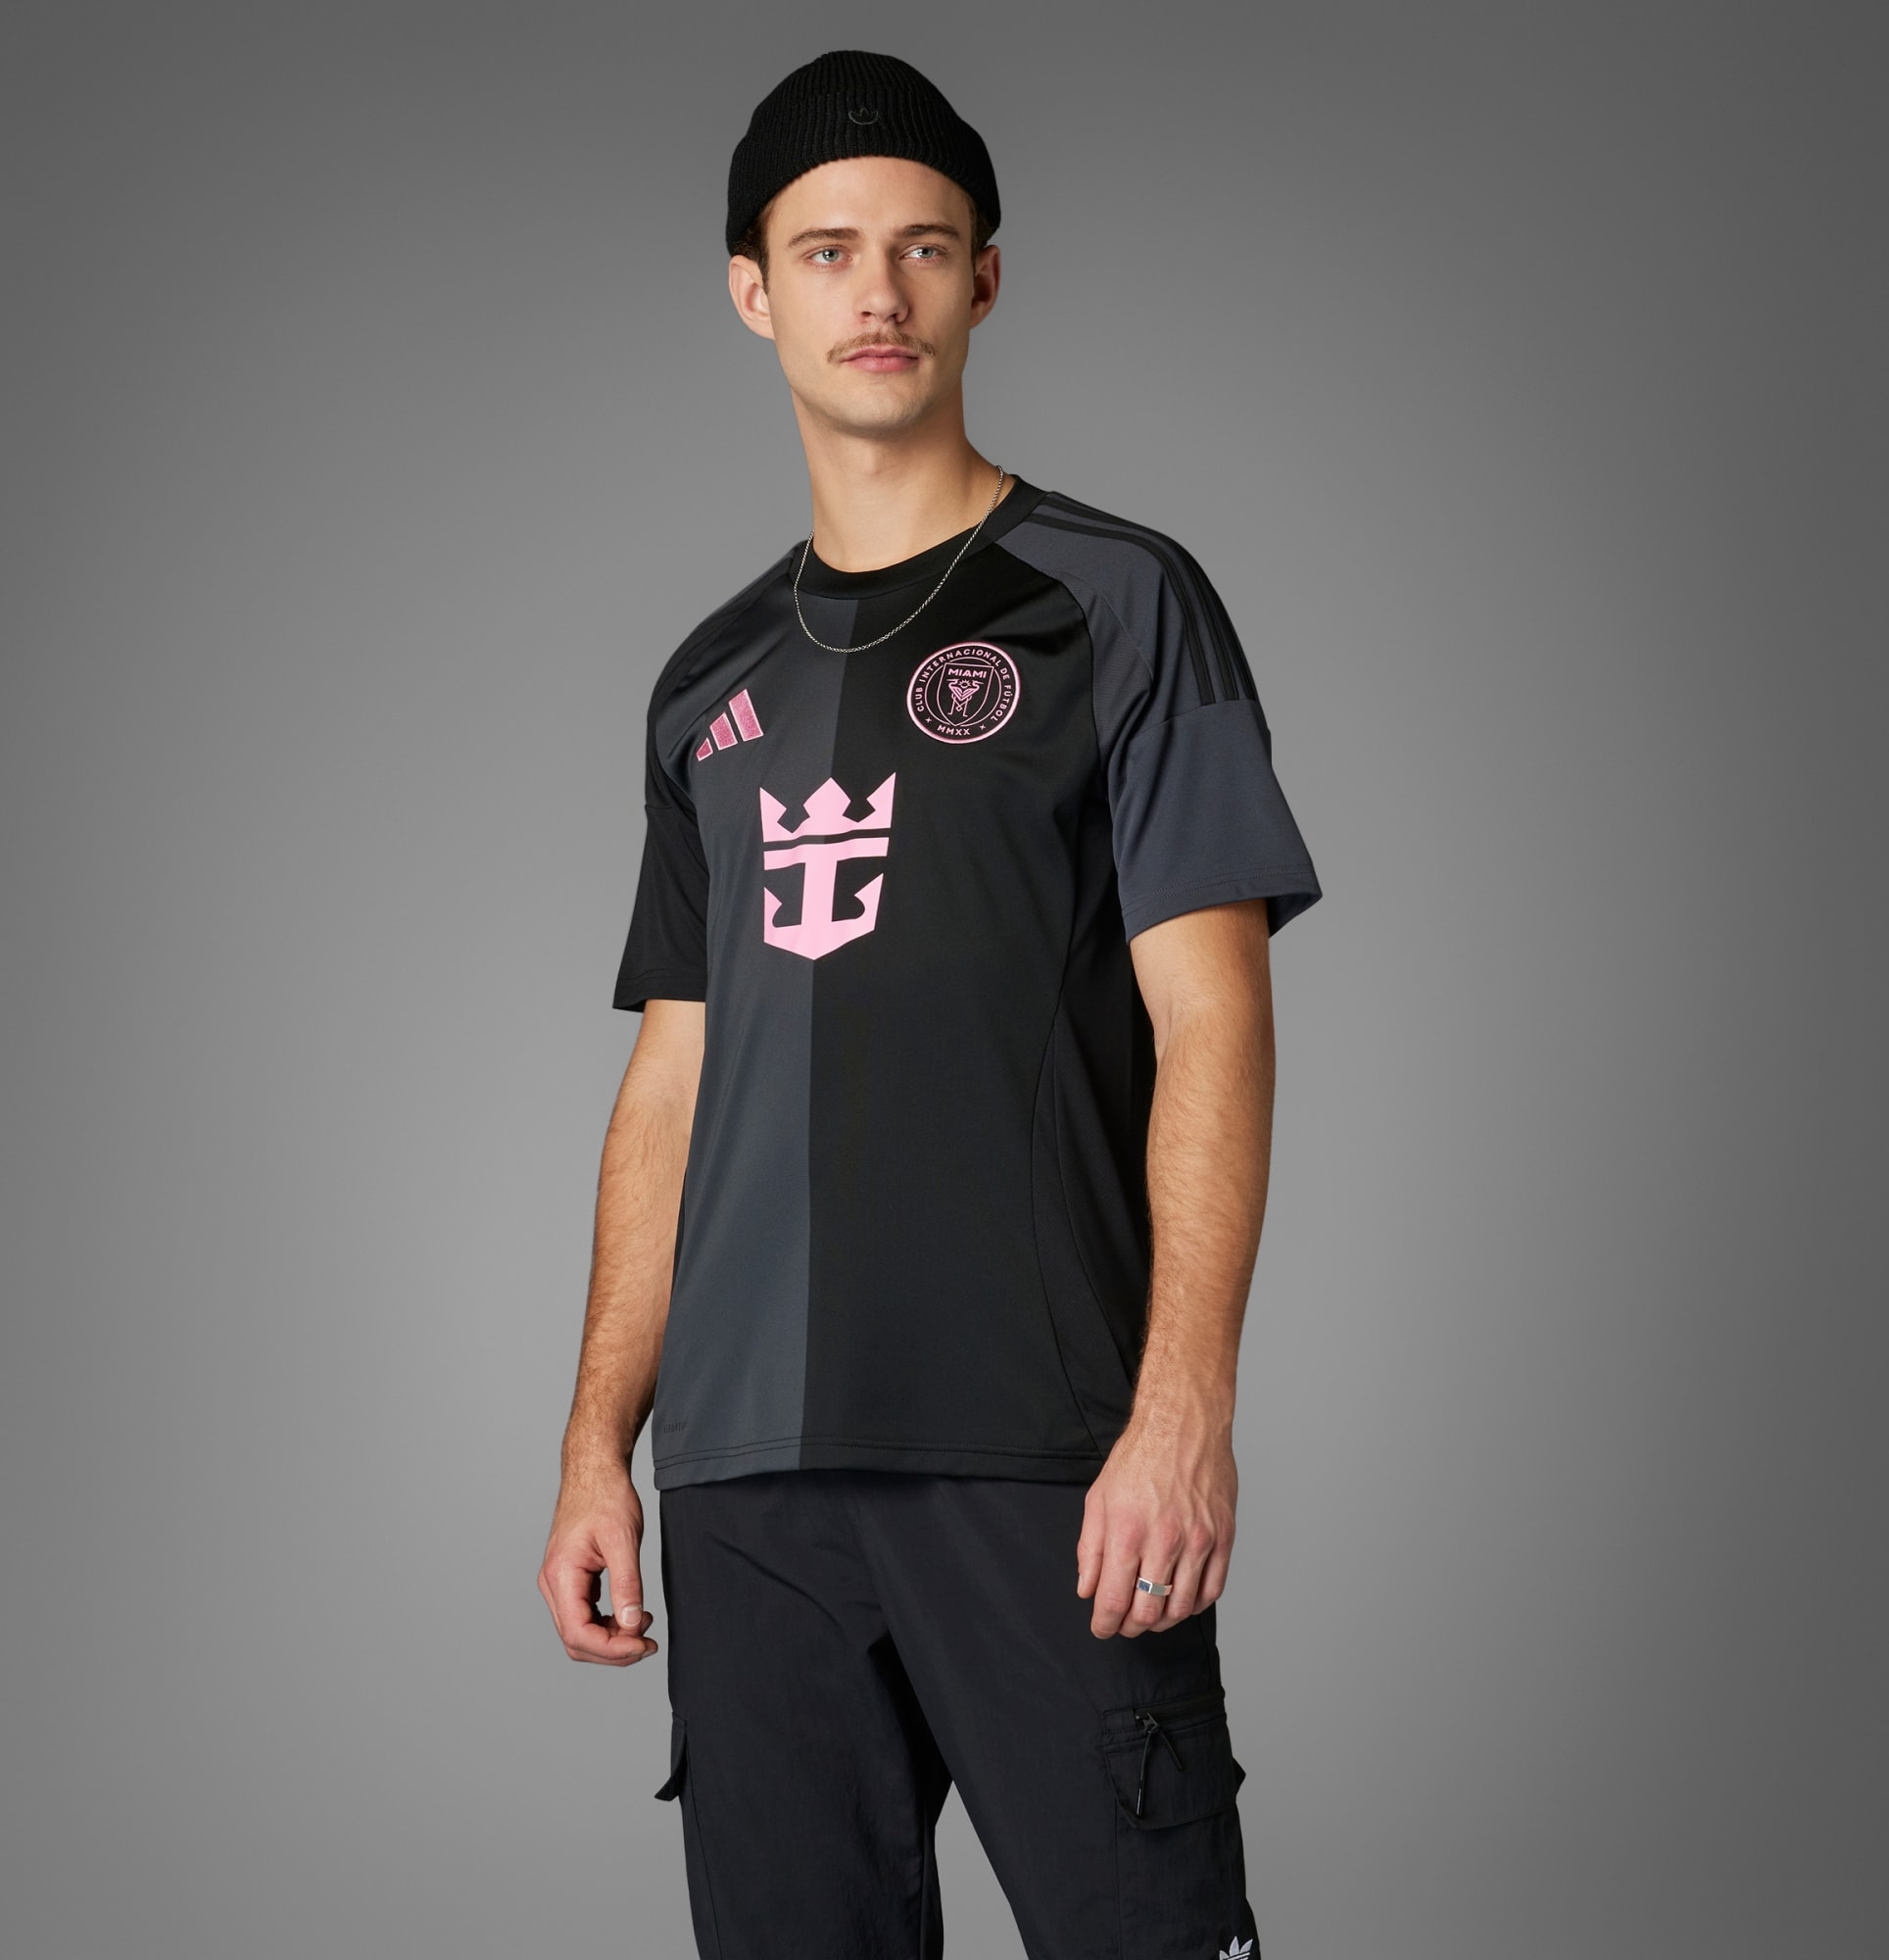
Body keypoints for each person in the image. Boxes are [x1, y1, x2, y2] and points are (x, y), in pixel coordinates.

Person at [538, 48, 1320, 1960]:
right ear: (754, 290)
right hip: (746, 1484)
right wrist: (594, 1446)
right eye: (826, 251)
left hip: (1042, 1449)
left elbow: (1213, 1022)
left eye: (921, 247)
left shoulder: (1115, 603)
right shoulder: (706, 683)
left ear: (984, 280)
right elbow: (671, 1081)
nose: (876, 291)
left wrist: (1185, 1407)